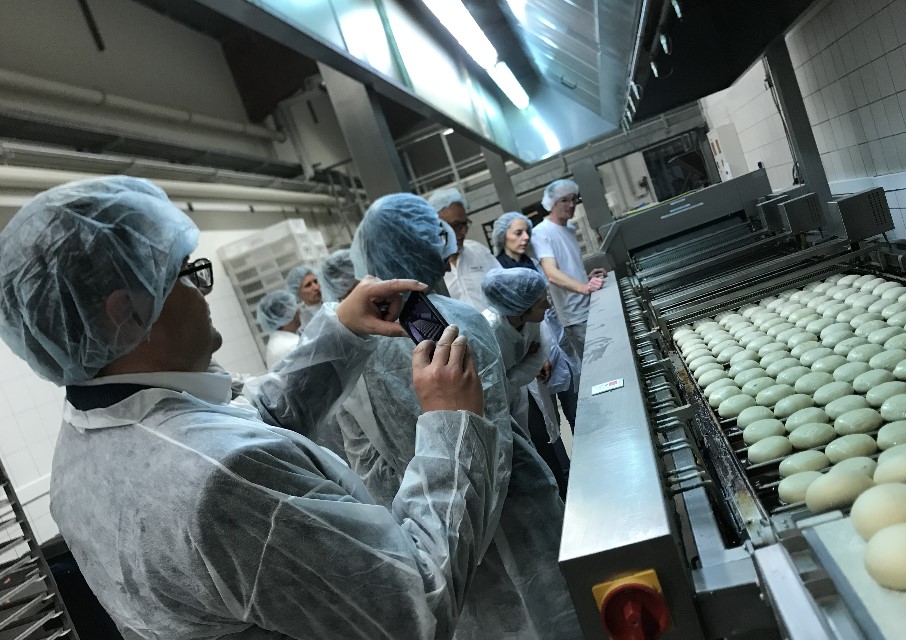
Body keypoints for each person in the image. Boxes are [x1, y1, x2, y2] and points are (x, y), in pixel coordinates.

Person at [0, 176, 511, 639]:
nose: (203, 293)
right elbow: (416, 605)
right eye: (188, 275)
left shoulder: (83, 454)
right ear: (128, 311)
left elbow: (254, 420)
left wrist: (343, 330)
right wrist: (452, 425)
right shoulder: (218, 481)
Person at [338, 193, 581, 639]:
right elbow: (493, 439)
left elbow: (366, 465)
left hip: (429, 527)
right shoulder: (450, 324)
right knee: (552, 612)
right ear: (426, 246)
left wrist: (416, 521)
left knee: (487, 620)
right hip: (511, 510)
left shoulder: (353, 343)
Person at [480, 267, 570, 498]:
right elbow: (490, 386)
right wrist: (523, 363)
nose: (547, 306)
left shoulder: (530, 321)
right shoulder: (488, 333)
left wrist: (516, 370)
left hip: (518, 392)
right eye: (541, 303)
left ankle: (559, 491)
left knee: (541, 440)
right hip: (495, 407)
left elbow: (539, 353)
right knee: (519, 454)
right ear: (520, 309)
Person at [493, 212, 581, 433]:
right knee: (547, 422)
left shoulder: (533, 263)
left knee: (575, 407)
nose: (525, 238)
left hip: (557, 340)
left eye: (527, 233)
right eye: (518, 233)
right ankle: (563, 466)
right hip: (529, 350)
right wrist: (536, 355)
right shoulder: (499, 273)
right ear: (503, 236)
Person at [531, 179, 607, 361]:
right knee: (598, 364)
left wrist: (585, 279)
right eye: (565, 200)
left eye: (574, 199)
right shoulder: (541, 232)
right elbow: (551, 273)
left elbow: (566, 266)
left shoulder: (569, 228)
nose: (571, 205)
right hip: (575, 316)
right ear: (551, 203)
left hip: (590, 304)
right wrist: (583, 288)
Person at [428, 187, 499, 312]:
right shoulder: (427, 268)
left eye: (465, 224)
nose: (463, 232)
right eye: (455, 226)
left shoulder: (479, 251)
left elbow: (503, 288)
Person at [256, 289, 301, 368]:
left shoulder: (277, 341)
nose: (299, 312)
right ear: (287, 313)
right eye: (295, 309)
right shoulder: (292, 345)